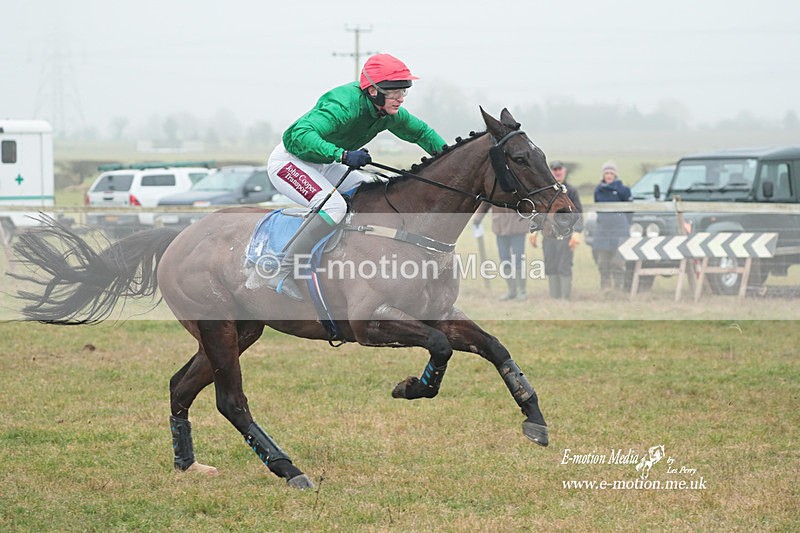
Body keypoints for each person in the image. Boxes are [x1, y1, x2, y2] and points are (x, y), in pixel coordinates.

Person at [266, 54, 446, 301]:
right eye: (394, 93)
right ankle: (283, 269)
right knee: (335, 206)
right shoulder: (344, 105)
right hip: (290, 162)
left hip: (323, 163)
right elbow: (297, 135)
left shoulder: (388, 113)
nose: (401, 99)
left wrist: (448, 161)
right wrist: (341, 154)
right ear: (373, 91)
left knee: (373, 189)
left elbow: (422, 133)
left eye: (404, 91)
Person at [540, 160, 583, 299]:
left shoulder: (571, 191)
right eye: (554, 169)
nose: (557, 172)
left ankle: (565, 298)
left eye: (559, 169)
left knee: (564, 265)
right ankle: (554, 297)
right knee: (550, 265)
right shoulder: (545, 191)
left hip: (566, 234)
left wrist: (577, 232)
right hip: (548, 234)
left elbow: (578, 213)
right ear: (550, 172)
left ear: (564, 171)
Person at [472, 203, 530, 301]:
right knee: (504, 259)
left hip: (518, 226)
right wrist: (478, 218)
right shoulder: (493, 188)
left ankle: (522, 291)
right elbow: (486, 203)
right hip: (500, 226)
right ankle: (511, 291)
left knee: (518, 259)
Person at [591, 160, 632, 290]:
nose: (608, 175)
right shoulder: (598, 190)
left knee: (618, 262)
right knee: (603, 262)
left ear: (615, 175)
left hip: (620, 231)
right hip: (603, 230)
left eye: (611, 173)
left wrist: (625, 224)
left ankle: (618, 289)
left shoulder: (623, 190)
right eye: (606, 173)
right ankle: (605, 288)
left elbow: (630, 211)